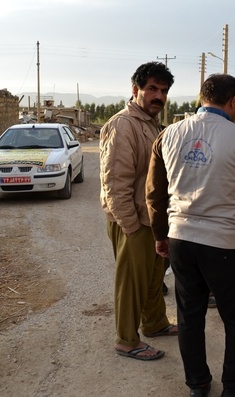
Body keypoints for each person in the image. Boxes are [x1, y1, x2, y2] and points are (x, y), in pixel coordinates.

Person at [146, 73, 235, 397]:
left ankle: (198, 384)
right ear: (233, 102)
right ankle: (234, 388)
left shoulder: (168, 135)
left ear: (201, 97)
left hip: (181, 240)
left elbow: (154, 195)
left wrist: (161, 235)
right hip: (226, 245)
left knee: (190, 315)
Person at [99, 61, 178, 361]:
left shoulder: (149, 123)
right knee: (131, 282)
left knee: (154, 276)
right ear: (135, 90)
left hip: (151, 219)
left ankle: (155, 323)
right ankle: (127, 340)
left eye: (164, 91)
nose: (158, 96)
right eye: (152, 89)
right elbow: (115, 183)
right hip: (131, 220)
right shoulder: (124, 125)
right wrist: (131, 226)